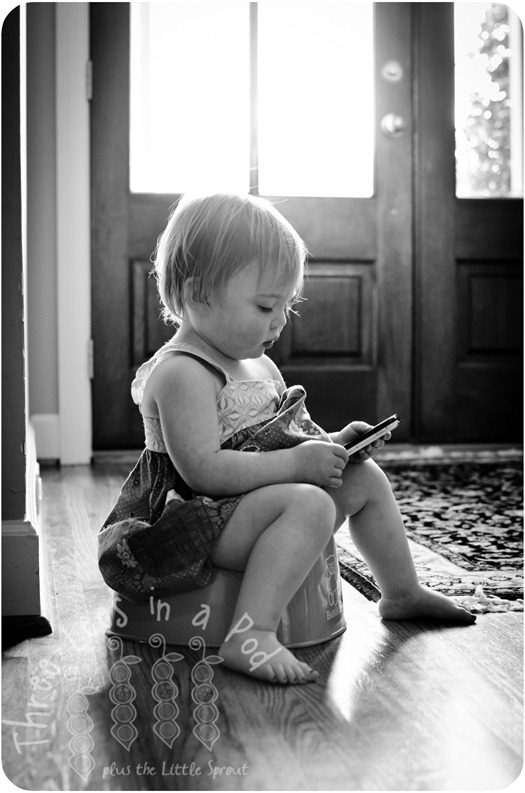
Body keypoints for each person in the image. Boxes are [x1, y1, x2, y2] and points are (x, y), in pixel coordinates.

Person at [99, 193, 475, 686]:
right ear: (196, 293)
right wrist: (300, 467)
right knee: (309, 504)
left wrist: (335, 446)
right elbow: (205, 471)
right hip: (193, 522)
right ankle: (250, 633)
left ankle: (401, 592)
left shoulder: (259, 364)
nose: (280, 321)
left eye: (286, 305)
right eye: (264, 306)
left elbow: (281, 441)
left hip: (253, 509)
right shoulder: (182, 373)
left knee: (364, 478)